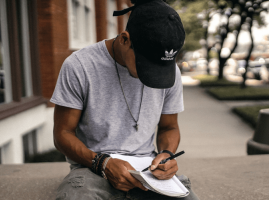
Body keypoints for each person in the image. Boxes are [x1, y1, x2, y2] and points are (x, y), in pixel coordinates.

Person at [51, 0, 199, 199]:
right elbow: (62, 133)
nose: (153, 75)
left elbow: (169, 127)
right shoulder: (79, 65)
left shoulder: (171, 72)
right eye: (146, 64)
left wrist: (166, 154)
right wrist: (102, 163)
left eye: (161, 67)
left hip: (148, 171)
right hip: (93, 167)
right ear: (124, 40)